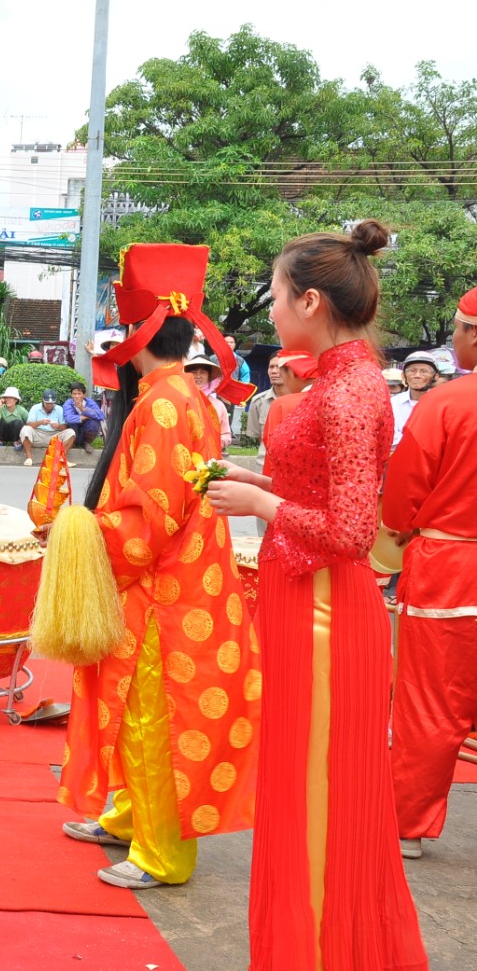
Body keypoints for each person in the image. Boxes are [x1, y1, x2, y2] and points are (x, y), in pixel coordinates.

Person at [204, 221, 427, 967]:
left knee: (318, 801)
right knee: (304, 796)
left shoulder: (349, 390)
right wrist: (258, 485)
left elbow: (353, 531)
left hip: (328, 608)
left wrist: (261, 508)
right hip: (305, 600)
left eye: (272, 296)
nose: (268, 310)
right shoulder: (339, 380)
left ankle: (325, 951)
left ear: (307, 300)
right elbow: (322, 492)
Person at [59, 242, 258, 894]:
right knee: (132, 713)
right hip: (181, 587)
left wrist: (84, 537)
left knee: (150, 719)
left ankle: (161, 854)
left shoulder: (164, 403)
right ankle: (127, 817)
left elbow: (150, 521)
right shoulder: (182, 396)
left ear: (140, 333)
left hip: (162, 597)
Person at [387, 286, 477, 863]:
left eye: (457, 327)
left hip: (451, 568)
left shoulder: (446, 403)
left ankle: (409, 825)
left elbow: (402, 494)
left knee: (430, 704)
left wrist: (400, 527)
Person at [257, 350, 317, 481]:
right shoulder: (339, 399)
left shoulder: (282, 404)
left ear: (291, 372)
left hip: (288, 483)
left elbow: (272, 450)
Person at [391, 350, 439, 450]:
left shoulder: (441, 404)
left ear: (435, 377)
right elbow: (392, 437)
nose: (417, 375)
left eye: (424, 371)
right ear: (404, 376)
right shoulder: (393, 403)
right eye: (412, 370)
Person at [183, 352, 232, 449]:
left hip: (211, 459)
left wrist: (211, 443)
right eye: (194, 372)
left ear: (210, 376)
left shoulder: (218, 405)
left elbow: (226, 435)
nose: (198, 376)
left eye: (203, 372)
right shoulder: (181, 400)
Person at [20, 389, 75, 466]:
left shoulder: (59, 409)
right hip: (38, 434)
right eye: (47, 403)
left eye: (52, 403)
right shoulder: (35, 408)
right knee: (25, 429)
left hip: (54, 435)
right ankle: (29, 458)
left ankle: (61, 458)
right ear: (43, 401)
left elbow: (64, 427)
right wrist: (40, 422)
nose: (49, 405)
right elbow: (29, 424)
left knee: (71, 432)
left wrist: (58, 426)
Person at [243, 354, 285, 451]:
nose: (274, 371)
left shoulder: (302, 400)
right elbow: (258, 436)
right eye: (271, 367)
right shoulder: (258, 401)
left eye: (279, 367)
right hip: (264, 462)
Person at [62, 382, 105, 453]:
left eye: (79, 394)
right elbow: (68, 418)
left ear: (84, 395)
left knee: (94, 423)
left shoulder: (90, 402)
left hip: (85, 430)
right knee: (71, 423)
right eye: (74, 394)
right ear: (71, 395)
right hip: (75, 430)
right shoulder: (68, 403)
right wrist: (84, 417)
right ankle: (73, 442)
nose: (76, 396)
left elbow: (100, 415)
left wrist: (84, 409)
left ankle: (86, 443)